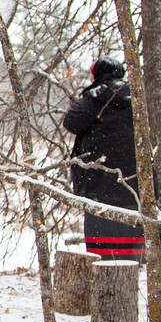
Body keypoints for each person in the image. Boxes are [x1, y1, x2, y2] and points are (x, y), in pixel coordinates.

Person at [63, 56, 143, 260]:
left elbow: (71, 122)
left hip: (100, 183)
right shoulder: (137, 96)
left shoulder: (97, 96)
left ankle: (105, 268)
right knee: (128, 252)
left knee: (103, 252)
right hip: (133, 184)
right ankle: (129, 264)